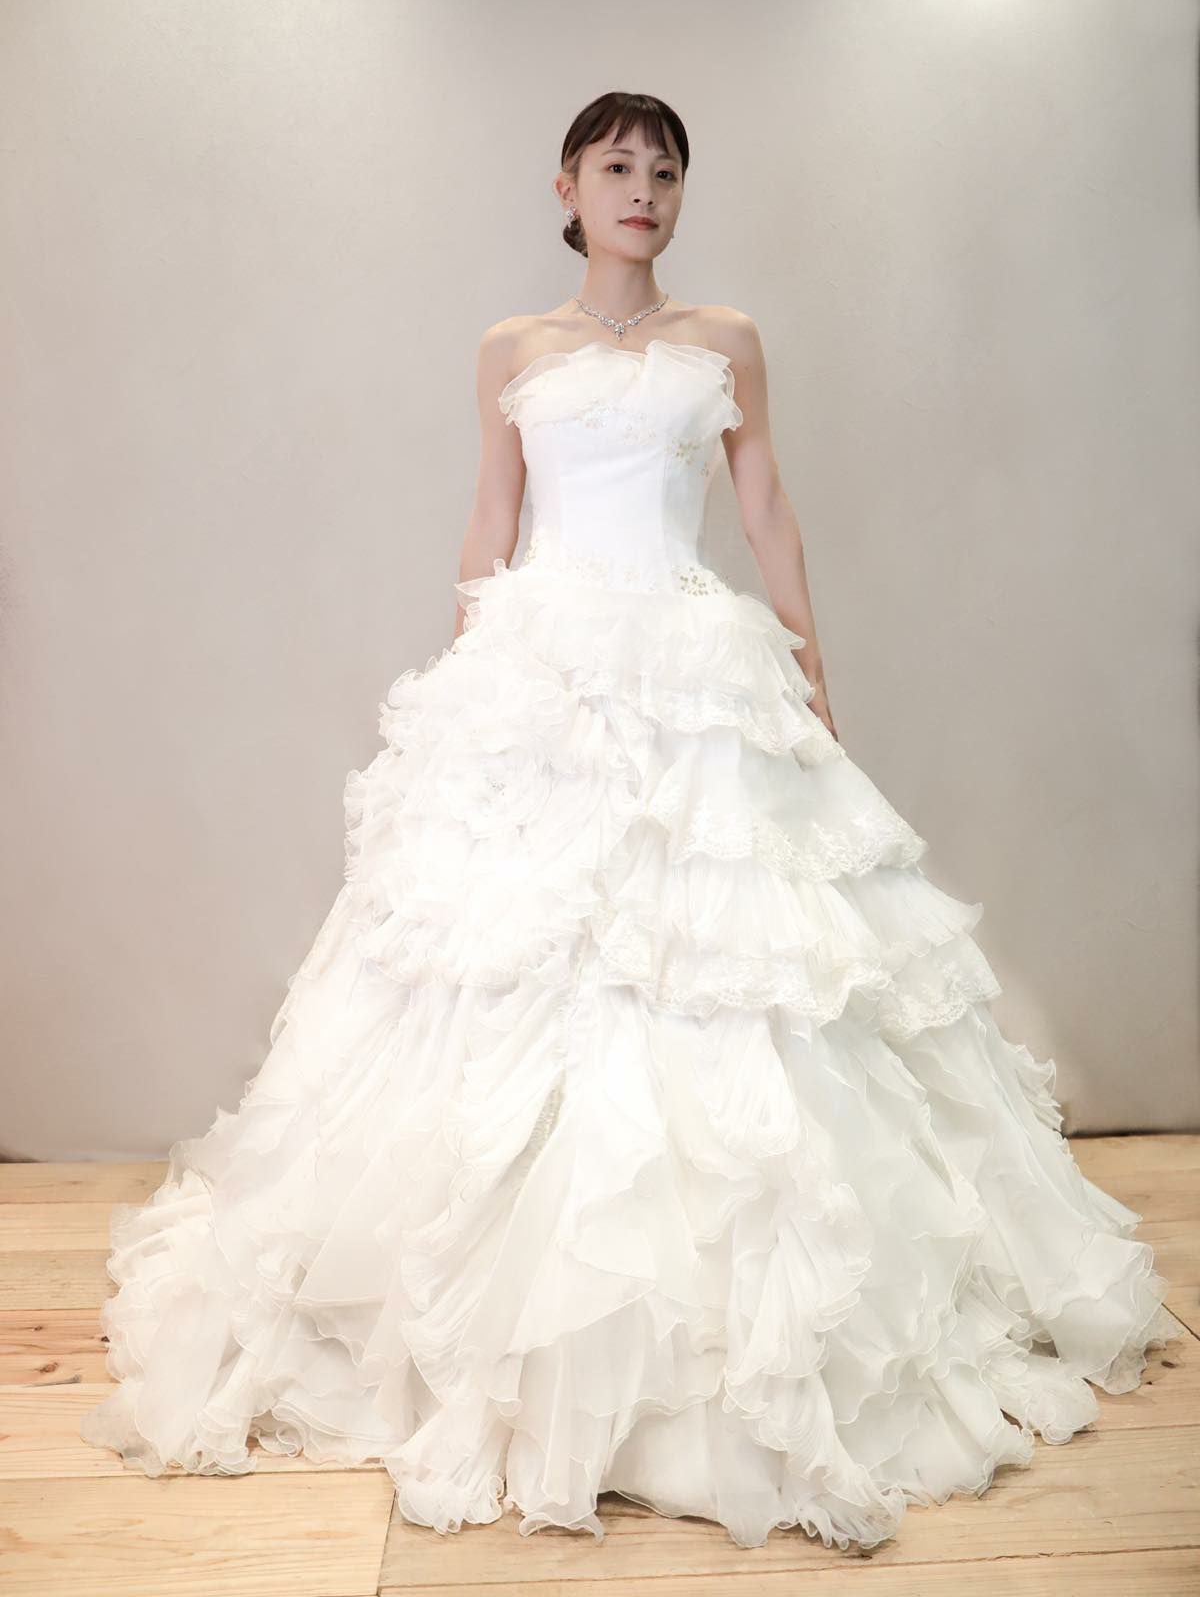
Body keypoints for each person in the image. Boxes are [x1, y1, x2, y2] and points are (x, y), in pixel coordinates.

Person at [80, 91, 1177, 1553]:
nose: (643, 188)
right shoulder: (510, 350)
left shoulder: (725, 341)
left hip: (692, 660)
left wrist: (811, 667)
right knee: (516, 974)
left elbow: (767, 506)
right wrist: (467, 692)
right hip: (543, 669)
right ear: (568, 188)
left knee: (729, 966)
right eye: (617, 166)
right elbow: (492, 518)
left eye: (664, 169)